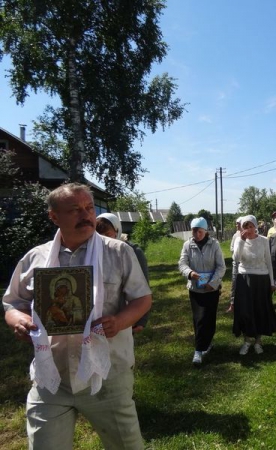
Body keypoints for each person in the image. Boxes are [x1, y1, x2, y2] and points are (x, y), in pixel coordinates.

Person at [3, 183, 151, 449]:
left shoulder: (117, 252)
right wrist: (19, 321)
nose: (86, 215)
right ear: (54, 216)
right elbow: (13, 303)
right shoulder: (35, 258)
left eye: (89, 208)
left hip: (107, 375)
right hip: (52, 377)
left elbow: (142, 298)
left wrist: (119, 322)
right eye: (75, 209)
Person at [178, 217, 226, 366]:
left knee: (209, 318)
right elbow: (182, 263)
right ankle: (198, 351)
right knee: (199, 319)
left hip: (211, 289)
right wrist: (190, 273)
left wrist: (212, 283)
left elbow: (221, 267)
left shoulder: (214, 245)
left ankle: (208, 343)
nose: (197, 234)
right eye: (194, 231)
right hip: (195, 289)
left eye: (200, 231)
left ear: (205, 231)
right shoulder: (188, 245)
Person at [233, 215, 276, 355]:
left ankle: (258, 341)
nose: (248, 229)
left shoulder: (264, 240)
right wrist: (241, 241)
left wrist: (272, 282)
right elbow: (236, 258)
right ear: (242, 228)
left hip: (262, 279)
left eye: (251, 226)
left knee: (260, 309)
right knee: (245, 310)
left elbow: (269, 262)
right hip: (245, 278)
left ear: (255, 226)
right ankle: (247, 340)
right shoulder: (238, 239)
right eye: (245, 227)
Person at [96, 212, 150, 332]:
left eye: (107, 234)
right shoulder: (94, 253)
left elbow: (143, 288)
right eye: (98, 235)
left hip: (127, 314)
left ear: (117, 230)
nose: (103, 239)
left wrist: (141, 319)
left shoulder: (132, 251)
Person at [226, 217, 244, 313]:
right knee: (234, 283)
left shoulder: (248, 233)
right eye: (236, 224)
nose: (237, 225)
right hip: (236, 263)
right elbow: (231, 248)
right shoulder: (235, 235)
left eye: (238, 223)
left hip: (245, 263)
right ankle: (232, 304)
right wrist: (236, 251)